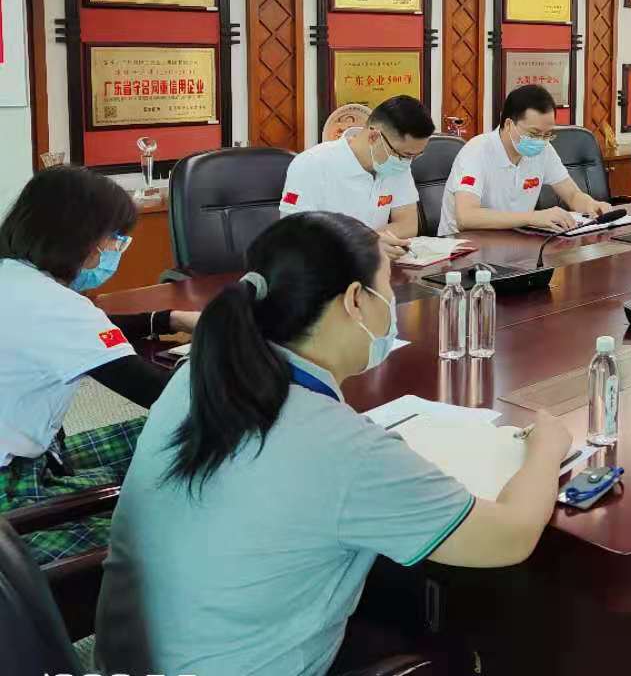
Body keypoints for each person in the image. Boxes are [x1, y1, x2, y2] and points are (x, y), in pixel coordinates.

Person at [96, 212, 571, 676]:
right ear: (355, 301)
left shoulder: (199, 375)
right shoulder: (342, 447)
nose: (391, 306)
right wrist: (547, 449)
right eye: (387, 290)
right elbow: (510, 537)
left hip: (134, 657)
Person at [0, 166, 198, 565]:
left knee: (152, 441)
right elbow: (163, 395)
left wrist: (168, 319)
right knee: (171, 530)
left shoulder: (15, 278)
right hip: (14, 490)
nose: (116, 249)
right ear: (82, 239)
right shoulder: (56, 306)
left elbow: (82, 329)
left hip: (33, 459)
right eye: (115, 238)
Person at [438, 83, 611, 235]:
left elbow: (572, 195)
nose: (541, 141)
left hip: (514, 242)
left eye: (547, 134)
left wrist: (591, 204)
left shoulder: (544, 149)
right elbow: (466, 217)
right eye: (534, 133)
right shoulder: (476, 152)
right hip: (464, 249)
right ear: (508, 124)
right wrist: (532, 217)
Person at [281, 94, 432, 259]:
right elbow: (294, 236)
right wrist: (365, 243)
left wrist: (372, 243)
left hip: (374, 265)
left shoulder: (397, 165)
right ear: (374, 137)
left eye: (416, 156)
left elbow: (408, 224)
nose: (408, 162)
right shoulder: (311, 163)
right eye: (406, 155)